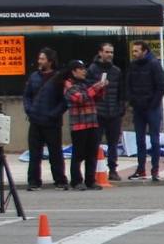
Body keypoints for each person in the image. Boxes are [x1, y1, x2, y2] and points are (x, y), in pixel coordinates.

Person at [23, 48, 67, 191]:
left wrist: (54, 113)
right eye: (39, 58)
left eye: (42, 59)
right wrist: (29, 109)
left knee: (55, 153)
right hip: (35, 120)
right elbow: (27, 96)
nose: (39, 61)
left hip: (52, 122)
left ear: (50, 61)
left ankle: (60, 180)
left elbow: (64, 100)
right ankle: (34, 181)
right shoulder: (34, 77)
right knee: (34, 153)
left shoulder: (59, 77)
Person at [124, 40, 164, 182]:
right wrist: (132, 101)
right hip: (138, 108)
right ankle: (141, 169)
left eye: (137, 51)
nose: (134, 53)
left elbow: (161, 86)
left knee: (154, 140)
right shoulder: (133, 66)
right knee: (139, 140)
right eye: (133, 51)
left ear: (145, 51)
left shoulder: (154, 65)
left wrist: (153, 104)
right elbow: (128, 85)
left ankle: (155, 170)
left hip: (152, 108)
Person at [62, 60, 104, 191]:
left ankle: (90, 180)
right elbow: (79, 98)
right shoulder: (68, 84)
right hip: (79, 124)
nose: (84, 71)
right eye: (81, 69)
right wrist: (95, 88)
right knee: (78, 154)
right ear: (74, 71)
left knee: (92, 153)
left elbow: (95, 98)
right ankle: (76, 181)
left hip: (92, 122)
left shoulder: (85, 84)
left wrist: (101, 89)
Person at [86, 41, 124, 181]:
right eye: (107, 52)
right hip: (98, 112)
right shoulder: (92, 69)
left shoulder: (116, 71)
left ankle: (113, 169)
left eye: (111, 52)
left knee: (113, 143)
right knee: (95, 142)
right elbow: (87, 89)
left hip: (113, 112)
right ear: (100, 53)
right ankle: (94, 170)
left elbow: (121, 92)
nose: (109, 55)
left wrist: (120, 109)